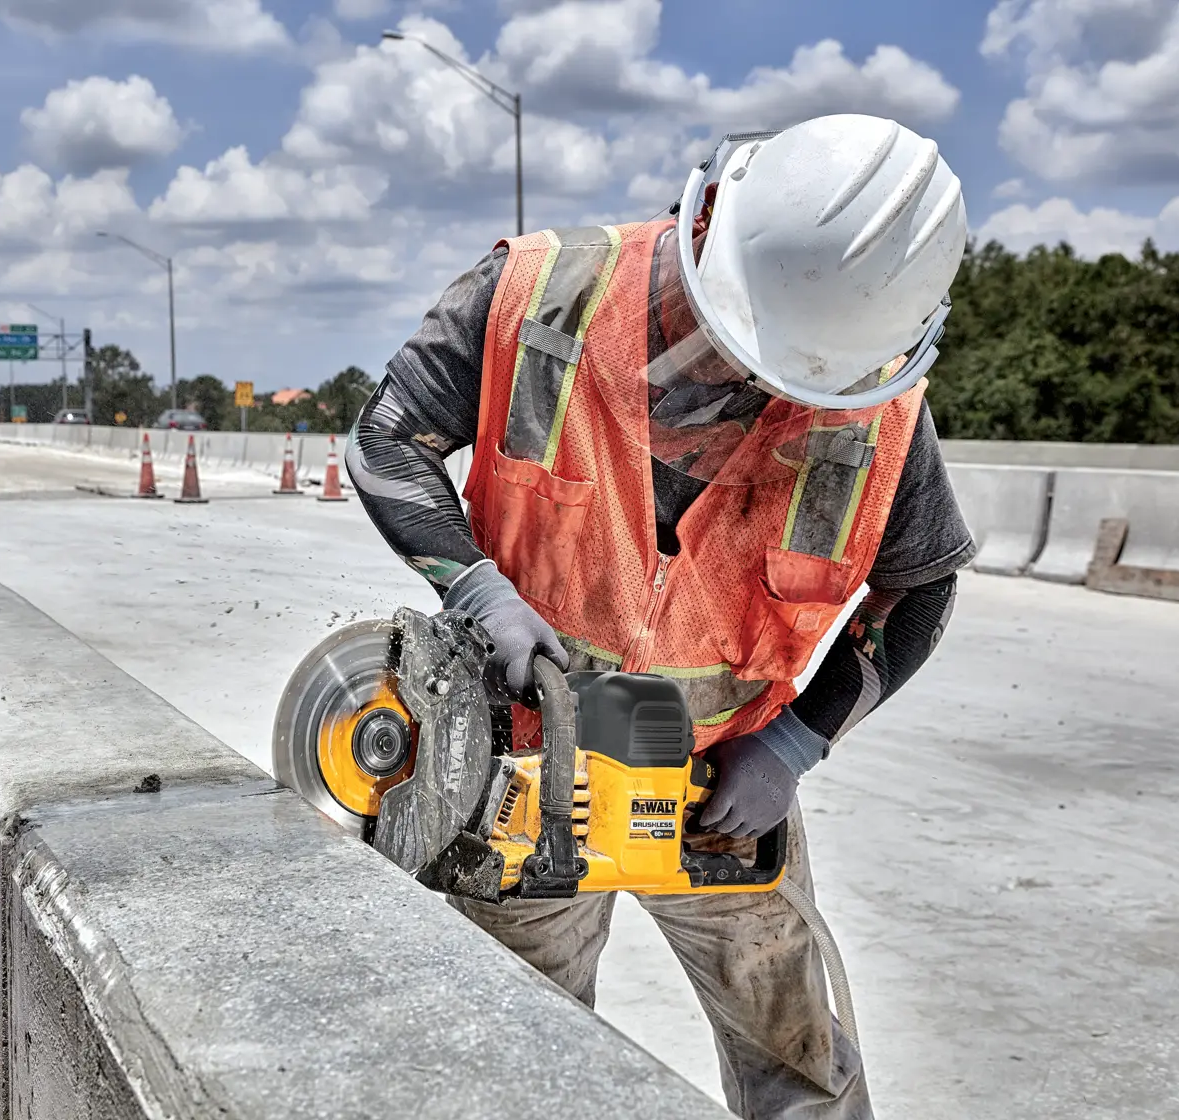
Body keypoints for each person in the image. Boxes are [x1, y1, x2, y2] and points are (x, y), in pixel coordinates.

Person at [346, 114, 974, 1120]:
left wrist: (798, 744)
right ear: (709, 215)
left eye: (778, 376)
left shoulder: (870, 396)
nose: (741, 385)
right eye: (730, 347)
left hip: (722, 782)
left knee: (801, 1054)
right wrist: (476, 588)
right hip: (533, 763)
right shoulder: (538, 294)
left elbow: (924, 581)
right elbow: (387, 441)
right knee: (515, 1054)